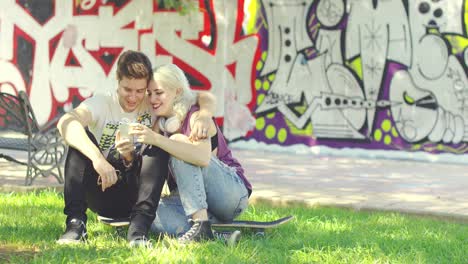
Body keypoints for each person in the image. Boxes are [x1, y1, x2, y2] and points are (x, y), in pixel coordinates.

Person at [56, 51, 215, 246]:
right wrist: (99, 160)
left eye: (140, 91)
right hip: (100, 187)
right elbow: (66, 122)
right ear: (117, 81)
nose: (133, 97)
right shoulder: (102, 103)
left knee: (157, 143)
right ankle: (75, 225)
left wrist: (205, 114)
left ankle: (138, 232)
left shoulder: (154, 103)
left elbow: (199, 96)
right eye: (127, 89)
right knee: (81, 139)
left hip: (136, 192)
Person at [125, 63, 252, 243]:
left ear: (177, 92)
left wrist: (157, 139)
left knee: (179, 143)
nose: (153, 98)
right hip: (196, 203)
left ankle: (200, 224)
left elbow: (201, 157)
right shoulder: (159, 125)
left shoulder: (195, 116)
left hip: (229, 195)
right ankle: (213, 234)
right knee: (149, 212)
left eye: (159, 92)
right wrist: (128, 153)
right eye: (150, 93)